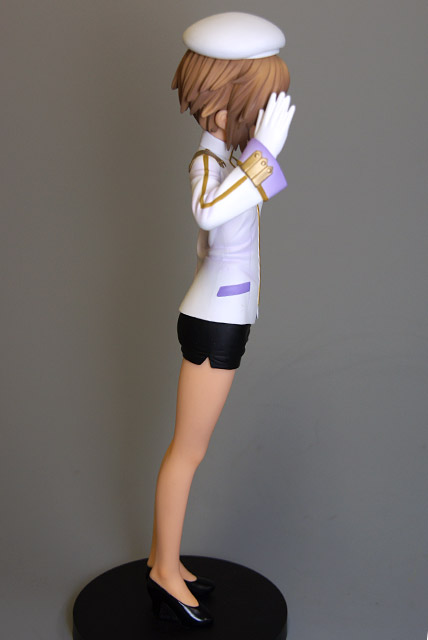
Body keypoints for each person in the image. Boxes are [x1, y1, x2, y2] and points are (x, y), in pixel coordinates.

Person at [146, 12, 296, 627]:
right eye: (258, 103)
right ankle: (162, 572)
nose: (263, 118)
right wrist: (263, 156)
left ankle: (164, 561)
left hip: (221, 312)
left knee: (189, 449)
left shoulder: (226, 162)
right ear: (223, 101)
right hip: (214, 323)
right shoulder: (209, 166)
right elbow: (208, 213)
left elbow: (212, 241)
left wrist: (256, 158)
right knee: (188, 451)